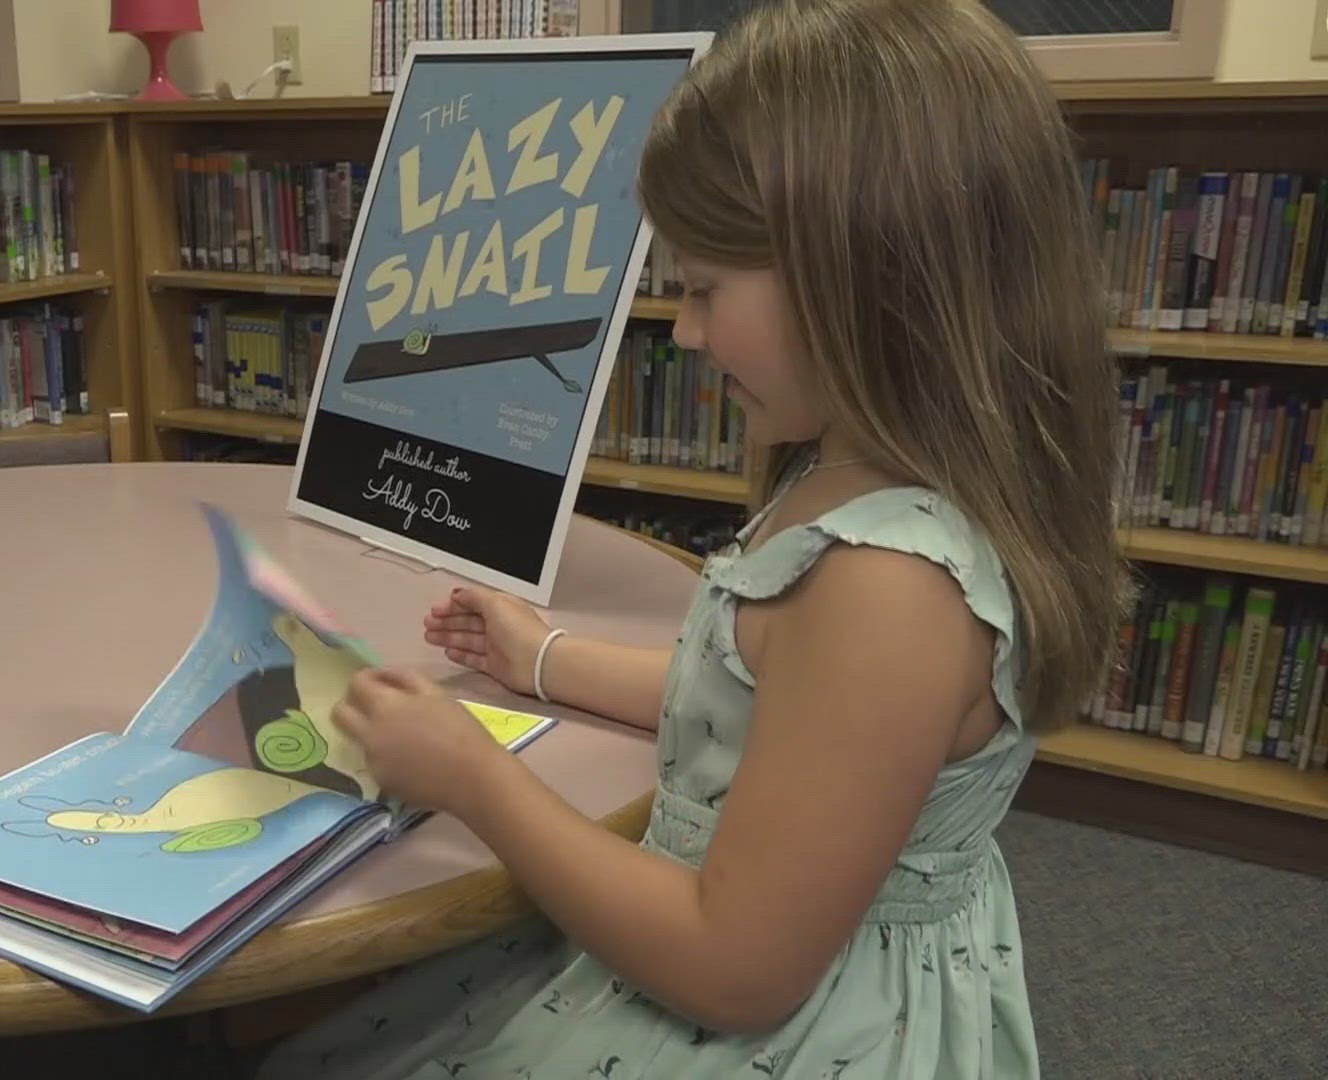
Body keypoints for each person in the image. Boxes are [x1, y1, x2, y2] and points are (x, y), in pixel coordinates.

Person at [253, 0, 1130, 1076]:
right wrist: (543, 658)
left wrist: (475, 777)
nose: (687, 329)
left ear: (870, 272)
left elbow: (735, 967)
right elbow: (762, 699)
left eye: (706, 288)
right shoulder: (854, 474)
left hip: (778, 1021)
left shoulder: (892, 587)